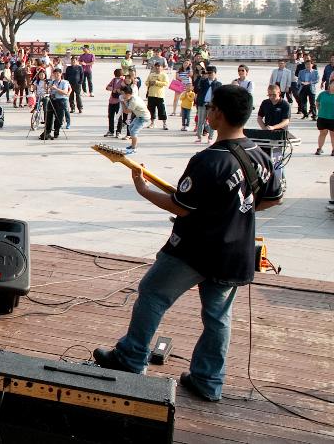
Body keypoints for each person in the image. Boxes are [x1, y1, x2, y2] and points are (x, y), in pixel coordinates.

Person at [93, 85, 282, 402]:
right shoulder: (260, 155)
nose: (206, 112)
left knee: (153, 294)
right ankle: (208, 380)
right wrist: (232, 212)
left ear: (218, 113)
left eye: (209, 107)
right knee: (218, 317)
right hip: (235, 252)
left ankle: (131, 357)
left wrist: (143, 189)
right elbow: (273, 199)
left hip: (194, 250)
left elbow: (181, 206)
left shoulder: (209, 160)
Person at [40, 68, 70, 140]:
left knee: (59, 117)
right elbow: (47, 90)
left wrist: (56, 89)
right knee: (49, 116)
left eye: (58, 74)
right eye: (55, 74)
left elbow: (65, 92)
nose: (56, 75)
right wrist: (46, 86)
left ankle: (56, 131)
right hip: (52, 100)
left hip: (61, 101)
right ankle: (47, 131)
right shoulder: (52, 82)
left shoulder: (64, 82)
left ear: (61, 74)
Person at [120, 85, 150, 155]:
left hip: (144, 118)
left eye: (123, 94)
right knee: (130, 128)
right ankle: (132, 145)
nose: (122, 95)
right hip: (139, 116)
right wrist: (125, 101)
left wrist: (122, 102)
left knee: (134, 131)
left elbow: (127, 111)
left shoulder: (134, 101)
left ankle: (134, 149)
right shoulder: (131, 98)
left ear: (128, 94)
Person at [146, 61, 170, 130]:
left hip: (160, 95)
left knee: (162, 109)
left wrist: (156, 82)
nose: (157, 68)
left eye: (159, 66)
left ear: (162, 67)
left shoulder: (164, 75)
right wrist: (150, 83)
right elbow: (146, 82)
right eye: (156, 66)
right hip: (151, 94)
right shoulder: (151, 75)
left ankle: (164, 123)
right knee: (151, 109)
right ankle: (152, 123)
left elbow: (166, 83)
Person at [105, 69, 126, 138]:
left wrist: (118, 90)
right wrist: (113, 89)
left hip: (119, 101)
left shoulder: (123, 81)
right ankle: (111, 131)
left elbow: (125, 89)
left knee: (119, 117)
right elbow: (107, 87)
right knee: (110, 116)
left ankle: (118, 131)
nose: (118, 77)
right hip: (112, 100)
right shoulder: (113, 80)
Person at [316, 79, 334, 156]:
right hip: (322, 117)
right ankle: (319, 149)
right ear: (329, 85)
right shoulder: (323, 94)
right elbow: (317, 103)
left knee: (333, 134)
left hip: (333, 118)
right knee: (322, 133)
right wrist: (321, 111)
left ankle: (333, 150)